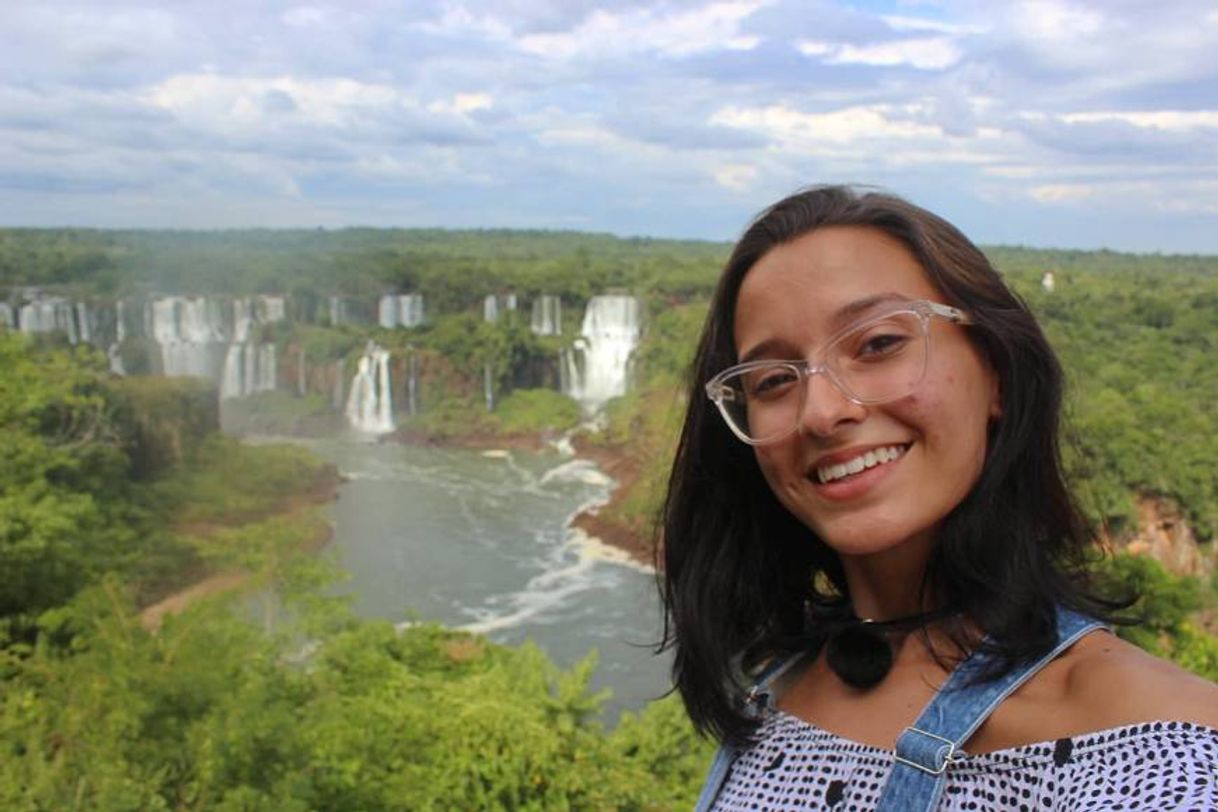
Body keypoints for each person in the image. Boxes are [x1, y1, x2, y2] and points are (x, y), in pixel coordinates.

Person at [659, 185, 1218, 810]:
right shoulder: (777, 685)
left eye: (878, 344)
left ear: (997, 372)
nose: (821, 413)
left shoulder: (1157, 758)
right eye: (772, 381)